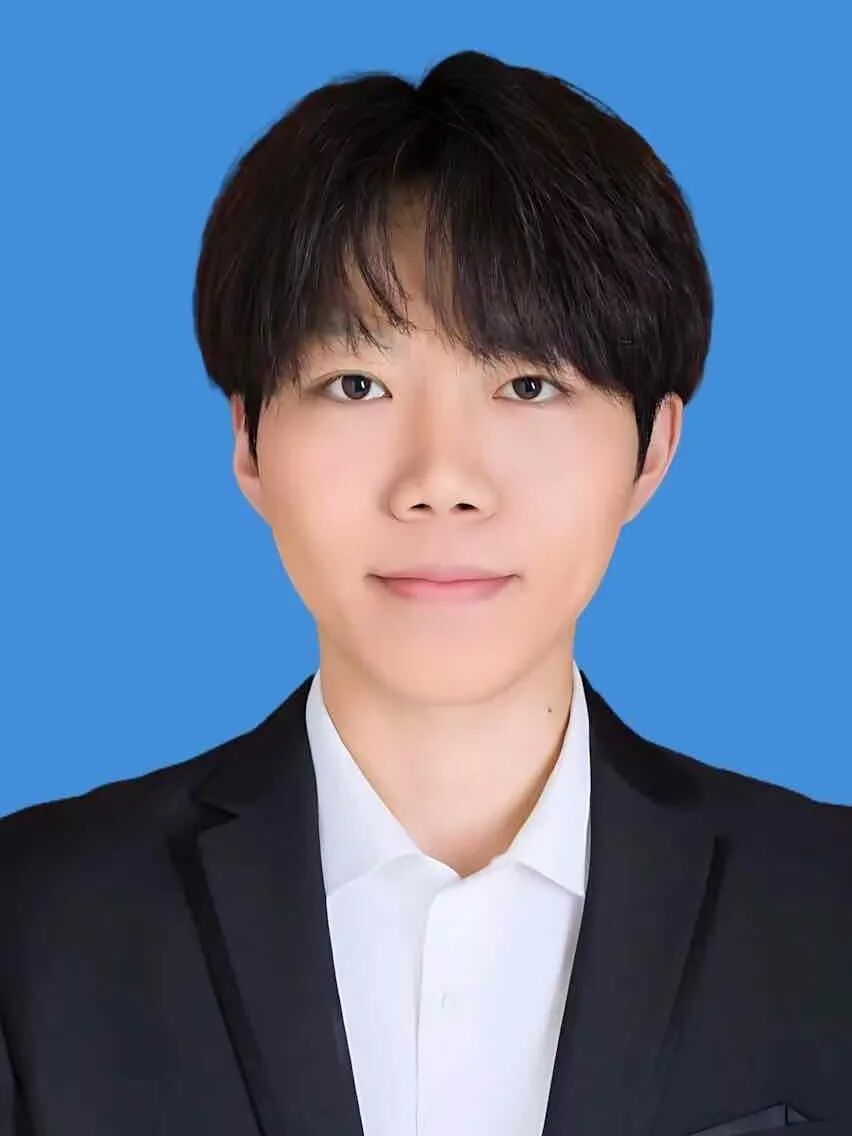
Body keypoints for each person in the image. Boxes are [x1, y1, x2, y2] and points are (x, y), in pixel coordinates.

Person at [1, 48, 849, 1136]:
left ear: (653, 449)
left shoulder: (829, 910)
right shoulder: (34, 925)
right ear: (249, 440)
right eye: (357, 384)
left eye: (528, 384)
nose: (440, 479)